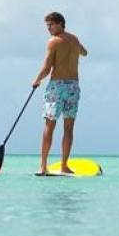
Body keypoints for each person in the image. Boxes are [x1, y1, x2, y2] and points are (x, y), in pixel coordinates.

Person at [30, 12, 88, 175]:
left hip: (57, 86)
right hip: (73, 87)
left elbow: (47, 67)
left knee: (50, 124)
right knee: (68, 127)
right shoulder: (74, 39)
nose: (48, 29)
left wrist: (37, 80)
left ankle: (43, 166)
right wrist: (73, 49)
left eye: (51, 25)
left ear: (61, 23)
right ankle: (64, 165)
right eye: (47, 26)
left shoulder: (53, 41)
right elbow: (84, 52)